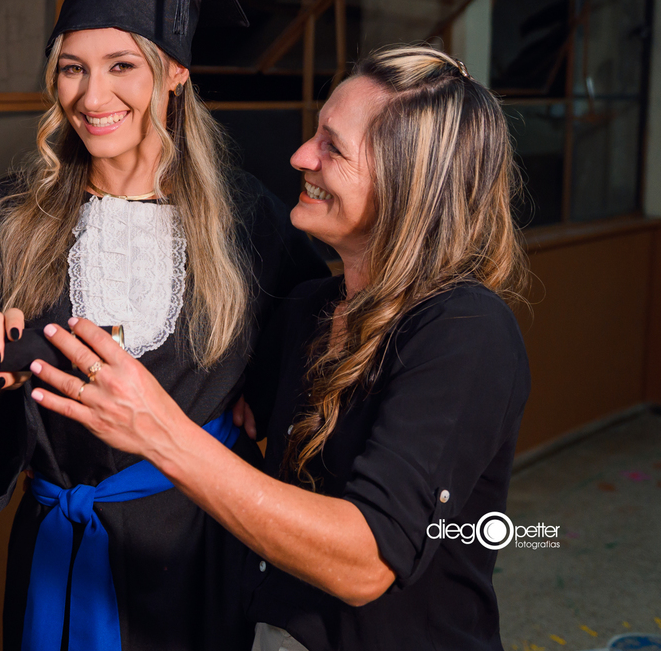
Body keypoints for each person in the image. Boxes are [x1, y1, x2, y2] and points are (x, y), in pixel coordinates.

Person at [0, 0, 327, 651]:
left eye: (122, 65)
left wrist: (270, 396)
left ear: (175, 73)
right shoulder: (9, 219)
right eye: (72, 68)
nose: (92, 95)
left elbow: (308, 343)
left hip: (196, 555)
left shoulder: (244, 218)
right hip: (58, 548)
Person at [27, 46, 531, 651]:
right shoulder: (309, 309)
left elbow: (366, 562)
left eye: (332, 148)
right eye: (315, 133)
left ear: (410, 186)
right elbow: (237, 405)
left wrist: (159, 430)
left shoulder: (466, 330)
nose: (300, 156)